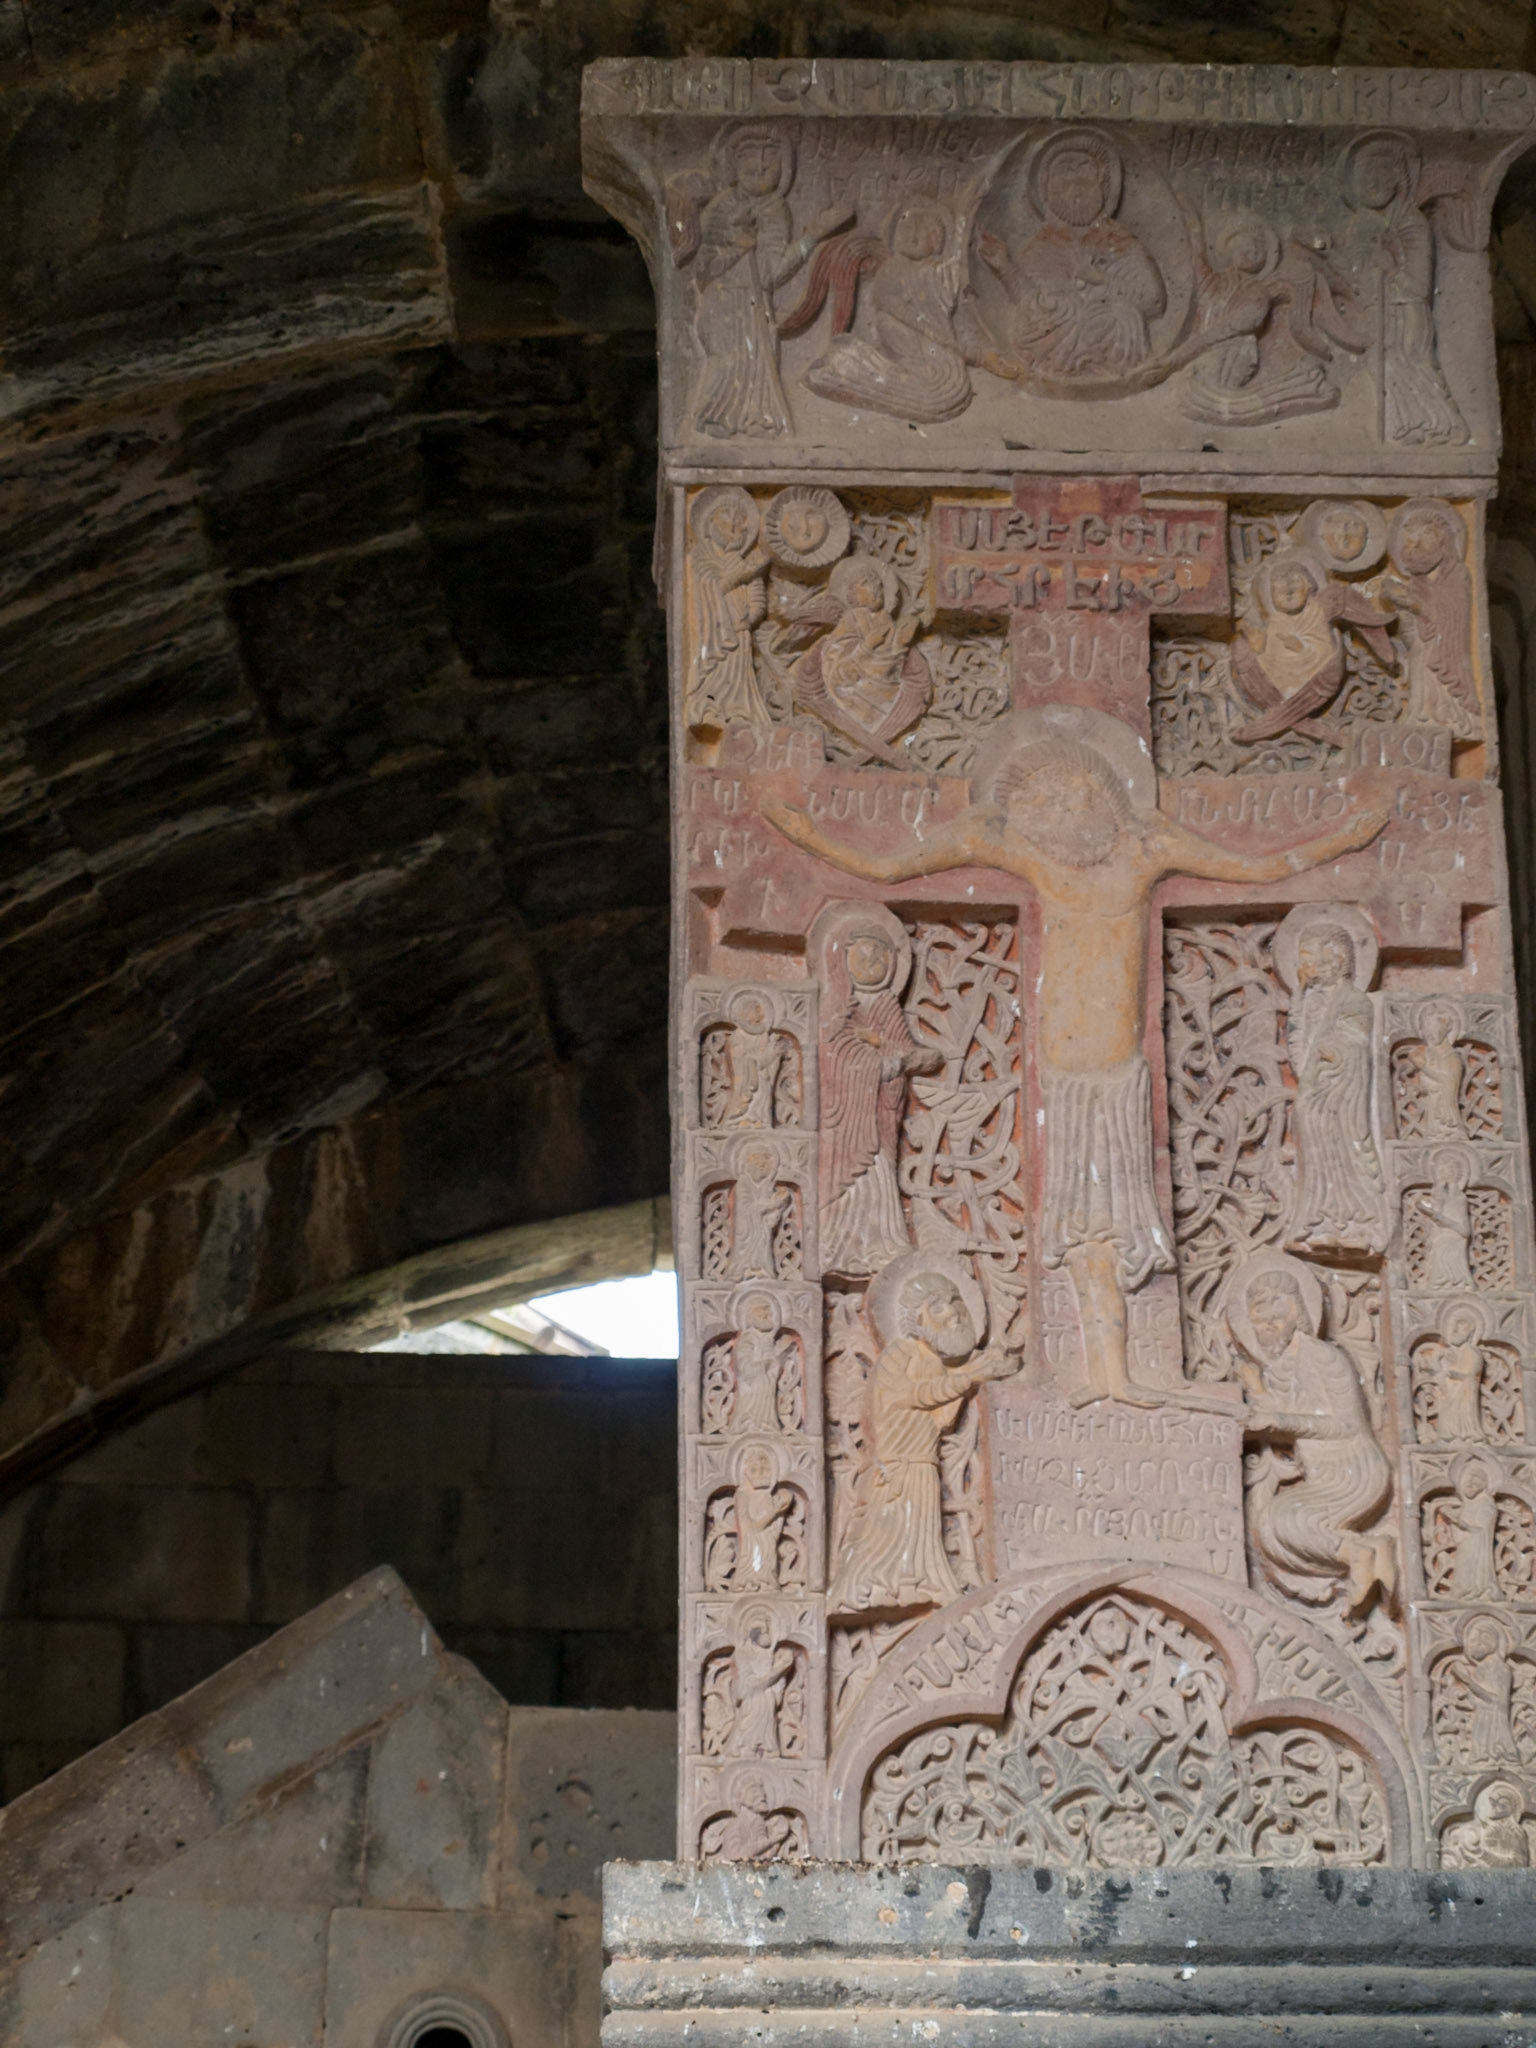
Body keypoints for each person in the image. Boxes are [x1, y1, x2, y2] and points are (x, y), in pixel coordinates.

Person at [766, 713, 1389, 1405]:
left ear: (1098, 788)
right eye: (1039, 807)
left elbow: (1258, 869)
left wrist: (1348, 838)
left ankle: (1120, 1374)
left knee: (1121, 1232)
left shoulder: (1146, 846)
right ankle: (1104, 1375)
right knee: (1079, 1231)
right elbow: (892, 864)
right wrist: (806, 837)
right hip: (1062, 1082)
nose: (1055, 815)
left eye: (1064, 799)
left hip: (1121, 1080)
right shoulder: (1025, 852)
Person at [829, 1268, 1015, 1616]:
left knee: (920, 1534)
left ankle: (919, 1587)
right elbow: (910, 1395)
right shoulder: (901, 1353)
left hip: (923, 1460)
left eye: (956, 1301)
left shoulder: (936, 1361)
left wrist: (973, 1373)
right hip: (896, 1462)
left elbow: (942, 1417)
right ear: (916, 1319)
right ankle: (858, 1592)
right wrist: (970, 1376)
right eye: (939, 1306)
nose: (955, 1311)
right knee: (884, 1533)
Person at [1237, 1265, 1396, 1617]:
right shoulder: (1284, 1368)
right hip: (1320, 1471)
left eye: (1272, 1309)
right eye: (1257, 1314)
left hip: (1352, 1467)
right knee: (1274, 1535)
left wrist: (1278, 1420)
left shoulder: (1323, 1356)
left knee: (1283, 1521)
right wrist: (1257, 1388)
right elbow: (1280, 1415)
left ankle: (1362, 1556)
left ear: (1295, 1307)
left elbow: (1345, 1425)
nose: (1265, 1322)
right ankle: (1369, 1551)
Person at [819, 928, 939, 1275]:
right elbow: (829, 1058)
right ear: (843, 961)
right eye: (864, 955)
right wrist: (875, 1060)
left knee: (879, 1171)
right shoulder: (835, 1007)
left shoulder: (887, 1006)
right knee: (846, 1177)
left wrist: (883, 1051)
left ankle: (881, 1247)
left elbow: (915, 1056)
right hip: (843, 1121)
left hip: (878, 1114)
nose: (872, 964)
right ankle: (834, 1250)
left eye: (880, 957)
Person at [1285, 921, 1389, 1256]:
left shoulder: (1354, 1001)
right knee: (1312, 1145)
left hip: (1343, 1096)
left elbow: (1356, 1046)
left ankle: (1359, 1225)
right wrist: (1299, 999)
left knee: (1349, 1158)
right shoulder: (1313, 1002)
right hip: (1317, 1095)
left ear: (1336, 958)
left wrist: (1335, 1050)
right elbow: (1299, 1055)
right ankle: (1319, 1222)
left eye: (1310, 959)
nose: (1304, 967)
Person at [1230, 551, 1397, 745]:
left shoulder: (1318, 614)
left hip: (1317, 680)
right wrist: (1259, 650)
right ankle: (1309, 727)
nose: (1289, 590)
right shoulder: (1275, 622)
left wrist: (1301, 648)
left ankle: (1267, 726)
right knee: (1239, 649)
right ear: (1270, 595)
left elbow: (1324, 651)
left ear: (1310, 586)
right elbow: (1269, 661)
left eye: (1295, 583)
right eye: (1280, 588)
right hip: (1277, 690)